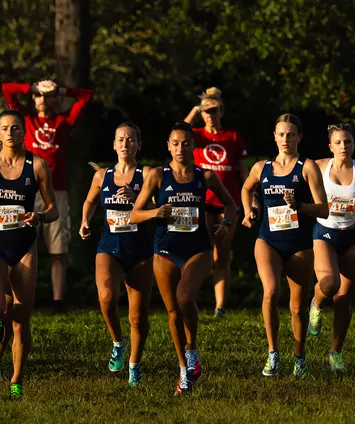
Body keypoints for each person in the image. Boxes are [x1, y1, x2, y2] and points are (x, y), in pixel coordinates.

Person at [129, 121, 236, 394]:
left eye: (185, 143)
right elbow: (135, 214)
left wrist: (225, 224)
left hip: (198, 249)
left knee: (185, 298)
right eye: (175, 143)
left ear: (193, 146)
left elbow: (231, 204)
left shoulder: (205, 176)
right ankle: (182, 370)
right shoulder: (157, 175)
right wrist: (156, 213)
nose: (180, 148)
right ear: (168, 146)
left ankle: (192, 350)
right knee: (173, 312)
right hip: (165, 251)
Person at [0, 109, 59, 399]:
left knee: (20, 318)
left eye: (15, 128)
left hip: (25, 247)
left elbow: (53, 209)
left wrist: (40, 217)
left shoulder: (37, 165)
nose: (9, 133)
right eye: (4, 128)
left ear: (23, 132)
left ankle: (16, 378)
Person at [241, 114, 329, 380]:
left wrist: (299, 206)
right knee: (270, 291)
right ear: (274, 137)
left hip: (299, 244)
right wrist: (249, 209)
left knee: (298, 308)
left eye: (291, 135)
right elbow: (246, 189)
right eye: (281, 134)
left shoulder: (307, 167)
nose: (285, 139)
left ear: (299, 137)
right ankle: (273, 353)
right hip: (268, 240)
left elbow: (323, 209)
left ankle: (299, 357)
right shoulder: (262, 167)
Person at [2, 79, 93, 312]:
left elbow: (87, 95)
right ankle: (21, 298)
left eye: (48, 96)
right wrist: (33, 88)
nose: (43, 99)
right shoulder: (26, 120)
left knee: (58, 249)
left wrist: (61, 90)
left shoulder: (63, 121)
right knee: (21, 246)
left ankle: (57, 301)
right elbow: (7, 89)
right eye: (39, 95)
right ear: (33, 98)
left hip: (56, 191)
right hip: (27, 191)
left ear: (55, 99)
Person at [80, 123, 153, 387]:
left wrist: (137, 198)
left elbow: (158, 207)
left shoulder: (147, 174)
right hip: (109, 244)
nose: (125, 144)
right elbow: (90, 201)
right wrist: (85, 220)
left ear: (139, 145)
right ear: (114, 144)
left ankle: (134, 364)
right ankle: (118, 342)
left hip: (140, 248)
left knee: (138, 316)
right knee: (106, 297)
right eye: (121, 139)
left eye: (131, 140)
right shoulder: (102, 176)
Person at [306, 124, 355, 373]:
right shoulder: (319, 166)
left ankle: (335, 352)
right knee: (329, 285)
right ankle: (317, 303)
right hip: (325, 234)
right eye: (338, 142)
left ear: (354, 144)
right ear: (330, 146)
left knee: (344, 298)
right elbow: (295, 181)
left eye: (347, 142)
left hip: (353, 236)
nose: (343, 147)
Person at [184, 87, 249, 318]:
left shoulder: (232, 136)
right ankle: (189, 298)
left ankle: (219, 307)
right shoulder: (197, 135)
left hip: (227, 203)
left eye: (215, 110)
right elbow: (179, 132)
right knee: (198, 250)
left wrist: (250, 199)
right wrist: (196, 109)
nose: (211, 115)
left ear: (221, 111)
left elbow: (243, 171)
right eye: (207, 111)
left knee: (221, 253)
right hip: (202, 201)